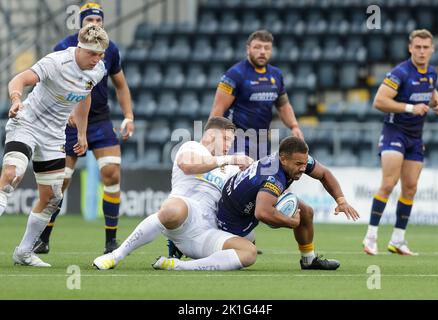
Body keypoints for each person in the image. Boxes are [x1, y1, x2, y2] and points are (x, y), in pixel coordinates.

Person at [0, 23, 108, 267]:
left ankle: (24, 252)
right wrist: (16, 99)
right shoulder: (56, 62)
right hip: (27, 123)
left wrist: (82, 132)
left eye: (100, 54)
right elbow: (19, 79)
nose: (97, 59)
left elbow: (85, 94)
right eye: (92, 53)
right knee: (10, 175)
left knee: (52, 197)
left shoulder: (98, 70)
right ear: (80, 48)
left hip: (54, 136)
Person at [33, 2, 134, 255]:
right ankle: (43, 238)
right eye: (89, 20)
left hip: (99, 120)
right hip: (68, 124)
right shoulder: (64, 47)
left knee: (111, 174)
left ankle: (111, 241)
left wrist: (129, 116)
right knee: (59, 184)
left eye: (98, 21)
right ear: (80, 23)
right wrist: (66, 111)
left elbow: (120, 85)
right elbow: (50, 84)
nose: (95, 25)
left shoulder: (110, 49)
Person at [93, 117, 257, 271]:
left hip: (207, 232)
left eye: (231, 141)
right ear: (212, 135)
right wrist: (230, 160)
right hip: (185, 217)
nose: (229, 145)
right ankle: (116, 255)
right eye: (227, 139)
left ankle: (179, 265)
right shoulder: (192, 147)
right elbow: (187, 165)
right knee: (173, 209)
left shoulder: (232, 168)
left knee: (249, 252)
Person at [216, 136, 360, 270]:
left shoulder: (295, 159)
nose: (303, 168)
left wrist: (341, 201)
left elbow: (324, 174)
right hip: (233, 220)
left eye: (304, 163)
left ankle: (308, 260)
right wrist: (291, 223)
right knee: (245, 256)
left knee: (306, 211)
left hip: (249, 203)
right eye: (298, 164)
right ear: (283, 160)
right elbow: (262, 213)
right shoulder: (273, 176)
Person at [362, 29, 438, 256]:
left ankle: (398, 239)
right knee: (389, 184)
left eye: (425, 47)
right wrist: (410, 108)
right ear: (410, 48)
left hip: (415, 138)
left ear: (432, 50)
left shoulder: (431, 73)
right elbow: (379, 101)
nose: (421, 51)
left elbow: (430, 90)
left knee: (410, 188)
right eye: (417, 47)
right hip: (394, 133)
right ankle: (370, 237)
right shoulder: (400, 72)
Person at [210, 29, 304, 160]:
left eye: (267, 48)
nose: (262, 52)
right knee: (239, 178)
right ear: (248, 49)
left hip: (263, 141)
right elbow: (218, 108)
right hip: (237, 140)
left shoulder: (276, 75)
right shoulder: (234, 74)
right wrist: (213, 137)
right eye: (257, 47)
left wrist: (294, 126)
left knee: (261, 179)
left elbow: (283, 105)